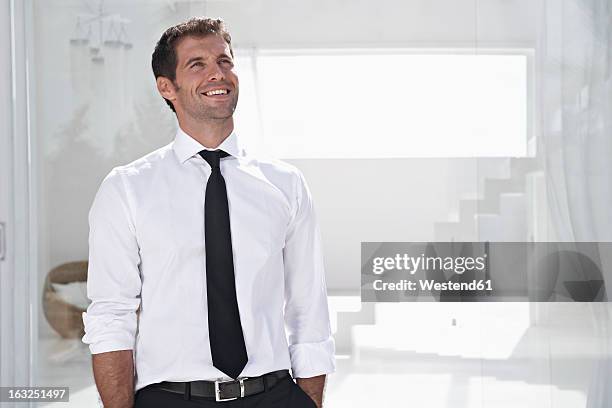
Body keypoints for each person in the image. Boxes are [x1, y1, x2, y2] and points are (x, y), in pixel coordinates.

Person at [82, 17, 335, 408]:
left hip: (273, 394)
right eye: (197, 64)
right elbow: (111, 316)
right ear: (167, 87)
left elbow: (308, 308)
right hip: (170, 398)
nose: (218, 73)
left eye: (225, 61)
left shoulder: (285, 184)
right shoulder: (127, 189)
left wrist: (309, 400)